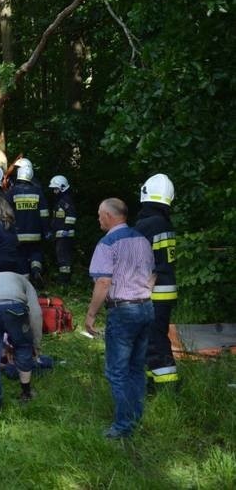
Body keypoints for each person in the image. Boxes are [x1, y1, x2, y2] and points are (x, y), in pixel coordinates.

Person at [85, 198, 155, 439]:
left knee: (116, 371)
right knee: (136, 368)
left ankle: (124, 426)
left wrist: (91, 315)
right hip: (146, 308)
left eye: (99, 214)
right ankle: (135, 417)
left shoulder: (107, 243)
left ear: (109, 215)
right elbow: (152, 274)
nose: (97, 218)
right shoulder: (142, 240)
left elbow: (103, 282)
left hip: (123, 311)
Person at [134, 174, 179, 391]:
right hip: (164, 289)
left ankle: (166, 387)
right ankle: (153, 381)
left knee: (154, 340)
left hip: (153, 290)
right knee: (154, 337)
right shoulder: (163, 222)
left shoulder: (148, 224)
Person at [0, 271, 41, 411]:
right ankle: (26, 394)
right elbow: (36, 314)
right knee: (23, 347)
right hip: (14, 306)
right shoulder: (26, 283)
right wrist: (36, 343)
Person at [6, 158, 49, 287]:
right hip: (35, 234)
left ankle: (25, 282)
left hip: (18, 234)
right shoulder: (38, 191)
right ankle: (36, 271)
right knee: (36, 252)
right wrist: (46, 231)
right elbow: (44, 213)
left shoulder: (12, 192)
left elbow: (7, 213)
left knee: (21, 256)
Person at [48, 175, 77, 285]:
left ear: (62, 187)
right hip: (60, 235)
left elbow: (71, 217)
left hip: (65, 236)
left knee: (64, 259)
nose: (54, 192)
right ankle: (63, 280)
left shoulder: (66, 201)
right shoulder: (60, 201)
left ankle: (65, 281)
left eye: (56, 189)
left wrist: (66, 230)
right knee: (61, 258)